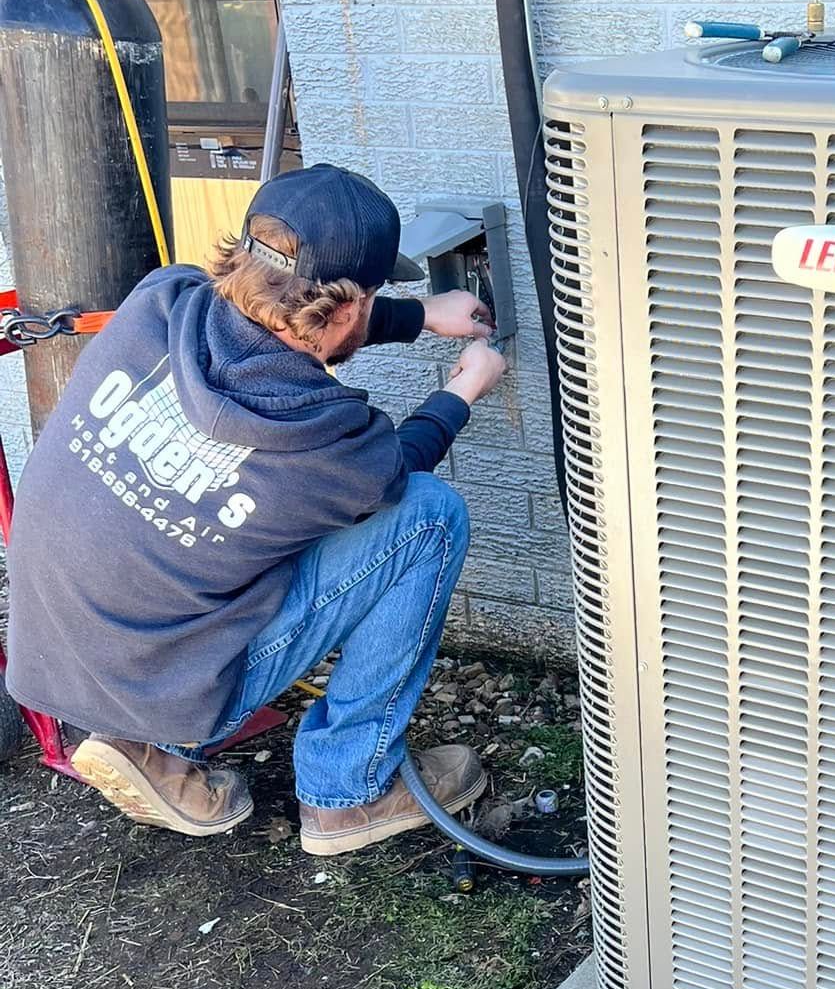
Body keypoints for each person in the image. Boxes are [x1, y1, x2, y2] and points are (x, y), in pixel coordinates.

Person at [5, 164, 507, 855]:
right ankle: (346, 793)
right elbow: (391, 470)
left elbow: (288, 324)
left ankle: (133, 738)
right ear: (350, 306)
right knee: (427, 517)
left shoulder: (164, 301)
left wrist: (417, 316)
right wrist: (464, 391)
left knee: (210, 527)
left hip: (58, 655)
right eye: (373, 299)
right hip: (163, 680)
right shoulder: (320, 438)